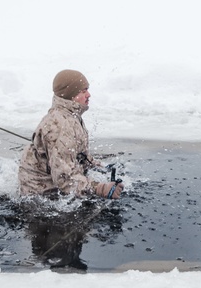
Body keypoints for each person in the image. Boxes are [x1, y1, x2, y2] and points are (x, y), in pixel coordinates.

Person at [18, 69, 123, 199]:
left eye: (87, 90)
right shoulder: (60, 125)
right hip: (40, 198)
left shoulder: (71, 116)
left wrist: (100, 168)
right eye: (83, 91)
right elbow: (64, 178)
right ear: (70, 95)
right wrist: (100, 189)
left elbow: (78, 155)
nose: (89, 95)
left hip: (53, 190)